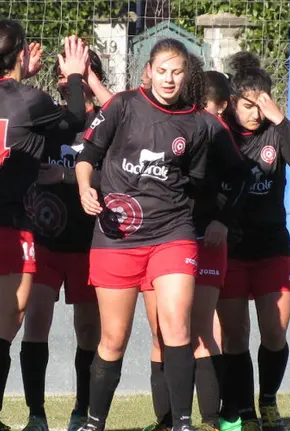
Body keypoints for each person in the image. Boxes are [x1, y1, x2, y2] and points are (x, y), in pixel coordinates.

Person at [74, 38, 211, 431]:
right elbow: (87, 157)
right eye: (162, 71)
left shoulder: (196, 123)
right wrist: (86, 187)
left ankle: (182, 423)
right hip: (117, 236)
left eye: (177, 72)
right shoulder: (122, 105)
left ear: (186, 76)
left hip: (172, 233)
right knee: (113, 338)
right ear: (148, 71)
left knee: (175, 324)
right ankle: (93, 421)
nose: (169, 79)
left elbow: (197, 184)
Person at [0, 19, 89, 431]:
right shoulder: (25, 97)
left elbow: (34, 129)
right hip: (2, 219)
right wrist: (73, 76)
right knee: (2, 325)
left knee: (7, 320)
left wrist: (25, 80)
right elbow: (73, 119)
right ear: (20, 54)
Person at [142, 67, 252, 431]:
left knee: (201, 330)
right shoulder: (172, 124)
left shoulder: (215, 132)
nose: (217, 116)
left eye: (221, 109)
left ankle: (209, 420)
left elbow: (240, 178)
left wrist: (221, 219)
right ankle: (167, 420)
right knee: (161, 333)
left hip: (204, 238)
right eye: (212, 107)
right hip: (158, 239)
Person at [213, 52, 290, 431]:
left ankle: (268, 401)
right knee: (235, 335)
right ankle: (245, 413)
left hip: (271, 246)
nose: (255, 112)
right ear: (233, 102)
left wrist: (280, 118)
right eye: (248, 105)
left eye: (261, 105)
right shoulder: (218, 131)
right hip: (231, 247)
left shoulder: (276, 131)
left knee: (274, 332)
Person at [19, 50, 112, 431]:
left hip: (91, 242)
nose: (64, 79)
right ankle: (35, 414)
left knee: (89, 331)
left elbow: (120, 180)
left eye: (73, 73)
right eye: (60, 73)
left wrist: (67, 178)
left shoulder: (110, 120)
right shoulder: (49, 119)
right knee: (36, 320)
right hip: (45, 241)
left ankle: (82, 411)